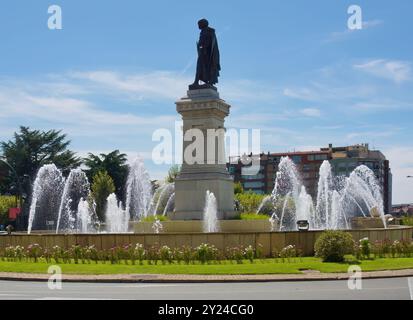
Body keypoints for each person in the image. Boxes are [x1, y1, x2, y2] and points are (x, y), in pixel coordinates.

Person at [191, 19, 221, 88]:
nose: (198, 26)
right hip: (202, 52)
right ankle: (196, 82)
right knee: (199, 67)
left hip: (208, 54)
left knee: (208, 67)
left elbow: (210, 43)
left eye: (199, 24)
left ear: (203, 24)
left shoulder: (209, 31)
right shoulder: (203, 31)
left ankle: (210, 81)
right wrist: (199, 45)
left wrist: (203, 47)